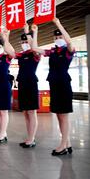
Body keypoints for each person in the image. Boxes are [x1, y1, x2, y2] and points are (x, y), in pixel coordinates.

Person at [32, 18, 75, 156]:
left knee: (64, 116)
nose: (57, 39)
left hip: (63, 85)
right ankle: (67, 143)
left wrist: (58, 23)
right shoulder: (53, 51)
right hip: (54, 84)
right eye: (55, 37)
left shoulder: (68, 51)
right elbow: (34, 48)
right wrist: (35, 32)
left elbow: (69, 42)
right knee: (58, 114)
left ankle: (63, 144)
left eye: (59, 36)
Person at [16, 24, 41, 148]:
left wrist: (29, 32)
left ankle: (32, 139)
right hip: (22, 83)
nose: (24, 43)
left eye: (26, 41)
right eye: (23, 41)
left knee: (31, 112)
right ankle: (29, 137)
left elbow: (34, 47)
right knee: (25, 112)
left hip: (31, 83)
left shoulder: (35, 54)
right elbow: (9, 51)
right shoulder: (21, 55)